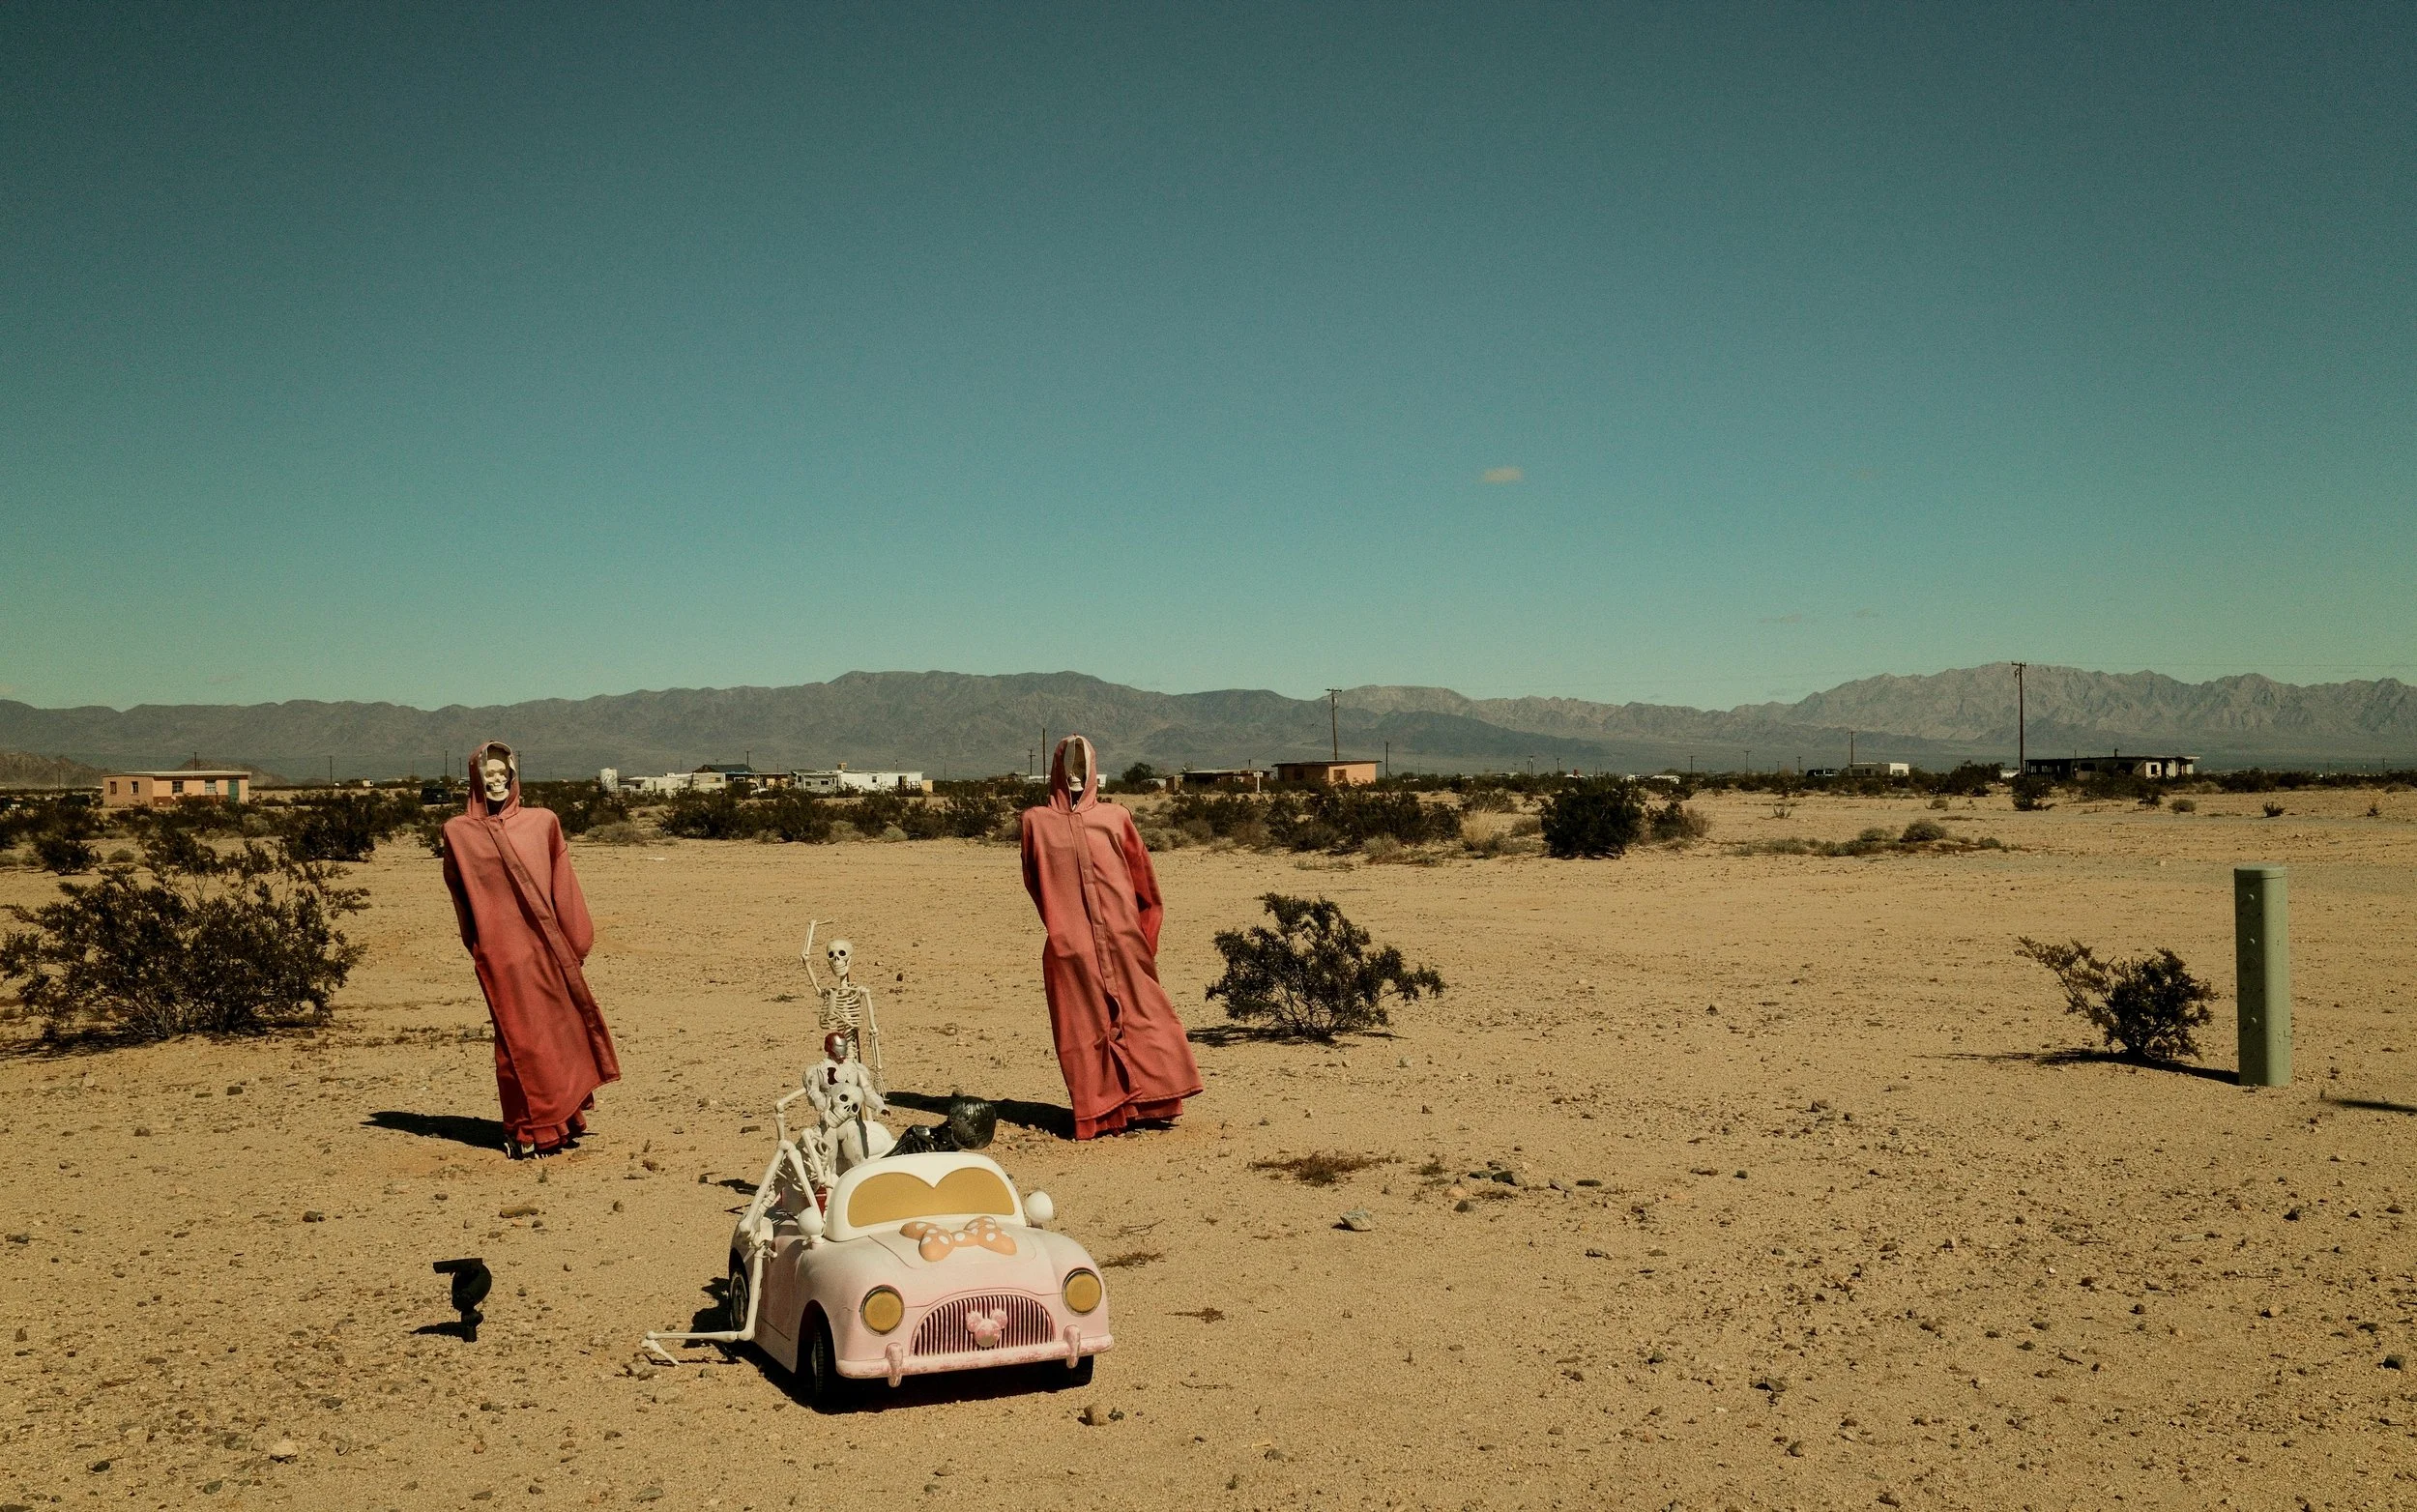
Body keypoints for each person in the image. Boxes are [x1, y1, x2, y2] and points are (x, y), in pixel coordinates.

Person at [441, 741, 620, 1156]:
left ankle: (563, 1120)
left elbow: (563, 883)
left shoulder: (543, 822)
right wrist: (479, 944)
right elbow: (460, 896)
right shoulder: (457, 832)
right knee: (516, 1042)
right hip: (500, 953)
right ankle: (524, 1128)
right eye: (488, 774)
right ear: (475, 779)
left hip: (548, 949)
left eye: (503, 773)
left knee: (556, 1033)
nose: (497, 781)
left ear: (514, 775)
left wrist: (575, 943)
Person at [1019, 736, 1202, 1139]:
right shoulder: (1035, 822)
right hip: (1071, 949)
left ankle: (1152, 1105)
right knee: (1082, 1032)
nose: (1076, 775)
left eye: (1082, 765)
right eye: (1068, 765)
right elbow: (1035, 882)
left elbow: (1144, 883)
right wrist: (1065, 931)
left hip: (1124, 942)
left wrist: (1143, 940)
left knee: (1146, 1019)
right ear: (1056, 769)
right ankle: (1101, 1113)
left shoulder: (1116, 818)